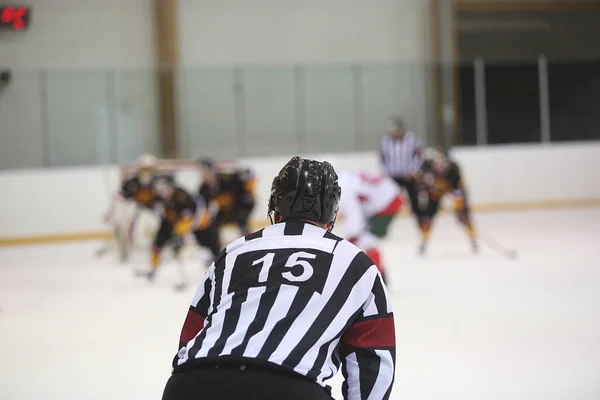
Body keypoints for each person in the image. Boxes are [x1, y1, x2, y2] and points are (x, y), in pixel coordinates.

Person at [162, 157, 395, 400]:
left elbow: (193, 332)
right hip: (289, 387)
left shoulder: (234, 251)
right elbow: (374, 361)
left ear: (275, 204)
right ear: (332, 211)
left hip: (190, 384)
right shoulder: (356, 262)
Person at [143, 177, 221, 288]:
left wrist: (179, 235)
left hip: (199, 223)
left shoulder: (181, 196)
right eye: (159, 188)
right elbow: (158, 210)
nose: (162, 191)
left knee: (209, 244)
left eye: (164, 188)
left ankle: (217, 267)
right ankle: (153, 268)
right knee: (158, 243)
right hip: (172, 222)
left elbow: (189, 218)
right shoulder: (159, 198)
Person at [337, 170, 403, 283]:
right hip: (389, 195)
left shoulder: (343, 191)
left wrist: (351, 240)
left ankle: (378, 278)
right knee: (366, 239)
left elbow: (354, 221)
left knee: (366, 239)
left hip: (387, 203)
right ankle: (379, 275)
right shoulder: (344, 178)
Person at [416, 150, 478, 255]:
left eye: (444, 164)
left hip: (450, 190)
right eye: (438, 163)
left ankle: (473, 239)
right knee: (427, 218)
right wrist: (425, 192)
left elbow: (459, 191)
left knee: (464, 216)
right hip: (434, 194)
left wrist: (457, 204)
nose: (440, 167)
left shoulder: (454, 171)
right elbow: (420, 184)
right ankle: (423, 241)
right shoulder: (426, 167)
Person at [379, 117, 423, 225]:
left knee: (414, 197)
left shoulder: (412, 140)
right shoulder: (386, 142)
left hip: (409, 175)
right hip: (393, 176)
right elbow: (383, 159)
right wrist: (386, 173)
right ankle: (385, 219)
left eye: (395, 130)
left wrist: (412, 171)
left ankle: (419, 219)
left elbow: (418, 156)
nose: (393, 132)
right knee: (388, 197)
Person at [198, 158, 256, 236]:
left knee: (241, 220)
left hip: (241, 204)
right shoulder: (204, 188)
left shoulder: (225, 179)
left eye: (207, 171)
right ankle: (217, 243)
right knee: (214, 224)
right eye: (203, 172)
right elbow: (204, 205)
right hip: (226, 209)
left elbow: (247, 178)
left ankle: (247, 237)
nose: (205, 175)